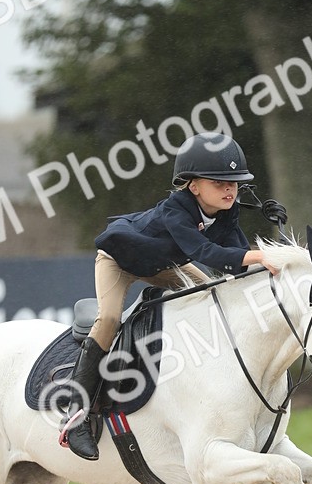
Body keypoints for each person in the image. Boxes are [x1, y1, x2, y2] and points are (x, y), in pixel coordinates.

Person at [60, 131, 283, 460]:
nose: (230, 189)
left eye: (234, 182)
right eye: (220, 182)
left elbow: (235, 259)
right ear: (194, 186)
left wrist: (269, 270)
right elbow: (204, 250)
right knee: (108, 319)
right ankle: (75, 413)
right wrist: (260, 256)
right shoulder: (175, 210)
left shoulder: (226, 211)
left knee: (211, 294)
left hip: (163, 264)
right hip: (119, 260)